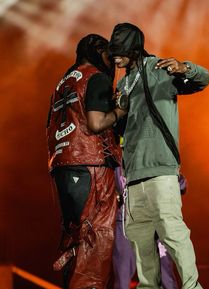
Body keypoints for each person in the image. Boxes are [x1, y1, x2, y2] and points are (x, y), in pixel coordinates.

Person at [108, 23, 209, 289]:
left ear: (134, 48)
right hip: (133, 177)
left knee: (174, 235)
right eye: (113, 52)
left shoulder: (158, 69)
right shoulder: (123, 81)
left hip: (161, 169)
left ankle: (192, 287)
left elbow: (204, 79)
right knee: (140, 241)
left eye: (120, 51)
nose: (115, 57)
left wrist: (185, 68)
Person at [46, 34, 126, 289]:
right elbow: (95, 123)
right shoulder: (96, 77)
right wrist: (121, 110)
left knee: (75, 241)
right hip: (91, 165)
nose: (111, 60)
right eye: (108, 53)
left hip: (62, 167)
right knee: (95, 244)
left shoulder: (64, 81)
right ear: (97, 51)